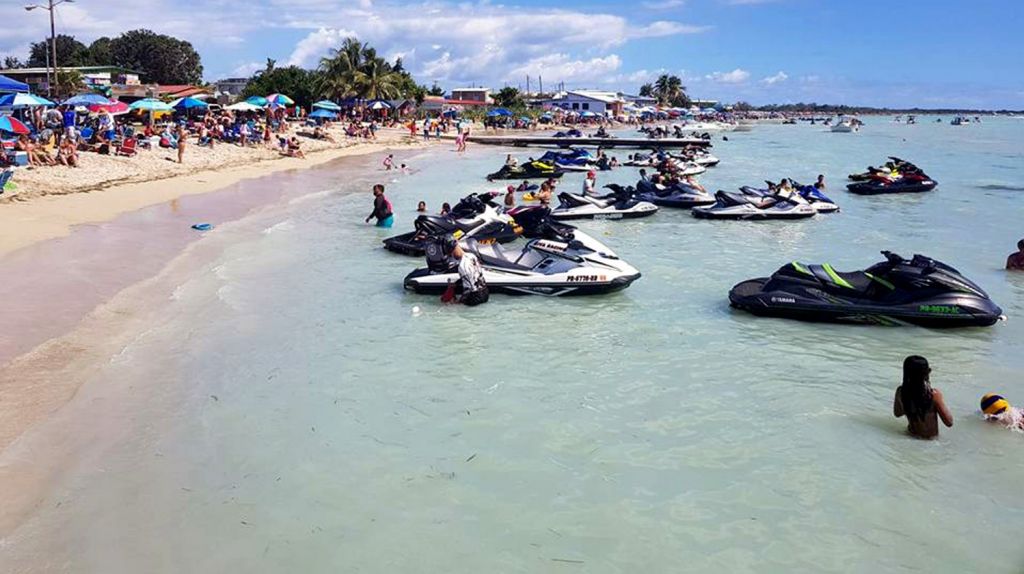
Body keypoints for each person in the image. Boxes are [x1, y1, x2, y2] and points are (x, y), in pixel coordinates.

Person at [893, 356, 953, 439]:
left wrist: (911, 405)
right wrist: (941, 400)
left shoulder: (901, 392)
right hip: (929, 441)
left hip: (910, 436)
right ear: (926, 373)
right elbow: (949, 422)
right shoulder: (934, 395)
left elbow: (897, 413)